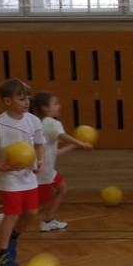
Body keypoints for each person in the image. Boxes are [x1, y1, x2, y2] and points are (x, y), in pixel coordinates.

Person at [0, 78, 46, 266]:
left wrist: (40, 160)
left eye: (28, 98)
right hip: (9, 179)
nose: (27, 102)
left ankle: (12, 239)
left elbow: (39, 144)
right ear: (8, 101)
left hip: (29, 177)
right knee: (12, 215)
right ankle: (1, 254)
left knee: (31, 213)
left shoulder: (33, 120)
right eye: (21, 99)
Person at [31, 91, 94, 232]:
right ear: (46, 108)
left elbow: (53, 152)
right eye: (55, 104)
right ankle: (10, 217)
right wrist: (80, 143)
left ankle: (48, 221)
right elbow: (62, 135)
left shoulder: (43, 124)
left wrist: (72, 146)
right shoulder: (52, 123)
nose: (59, 106)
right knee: (40, 205)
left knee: (62, 189)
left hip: (46, 169)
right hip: (43, 172)